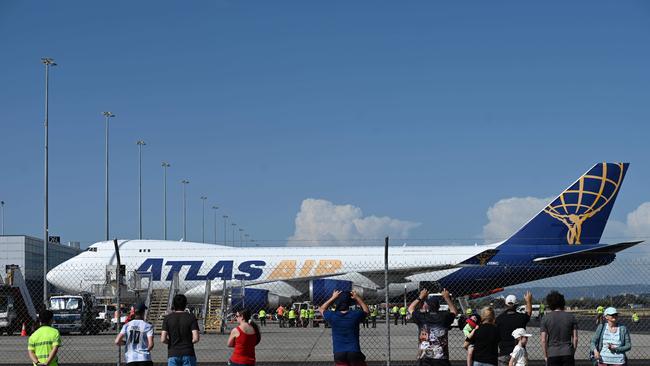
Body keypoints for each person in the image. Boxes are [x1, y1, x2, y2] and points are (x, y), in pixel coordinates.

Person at [408, 288, 458, 366]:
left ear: (427, 306)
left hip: (425, 359)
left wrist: (420, 297)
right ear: (438, 306)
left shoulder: (422, 317)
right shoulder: (444, 317)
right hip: (441, 358)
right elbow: (454, 311)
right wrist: (447, 298)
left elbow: (410, 308)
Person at [319, 290, 369, 366]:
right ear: (349, 303)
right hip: (354, 351)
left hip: (339, 353)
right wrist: (357, 298)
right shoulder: (355, 314)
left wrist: (333, 297)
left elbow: (321, 309)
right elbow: (366, 311)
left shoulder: (332, 315)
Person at [161, 294, 200, 366]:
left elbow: (163, 339)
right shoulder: (191, 317)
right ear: (185, 304)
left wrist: (172, 343)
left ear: (174, 305)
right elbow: (196, 338)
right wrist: (187, 343)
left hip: (173, 353)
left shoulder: (167, 318)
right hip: (188, 352)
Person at [540, 291, 577, 366]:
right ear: (563, 303)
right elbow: (575, 338)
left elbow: (543, 340)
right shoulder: (571, 317)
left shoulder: (545, 318)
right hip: (567, 352)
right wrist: (572, 352)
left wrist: (546, 356)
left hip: (552, 353)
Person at [496, 292, 532, 366]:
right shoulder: (521, 317)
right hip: (519, 353)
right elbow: (529, 313)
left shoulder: (499, 319)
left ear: (505, 305)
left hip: (504, 352)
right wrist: (528, 301)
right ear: (516, 305)